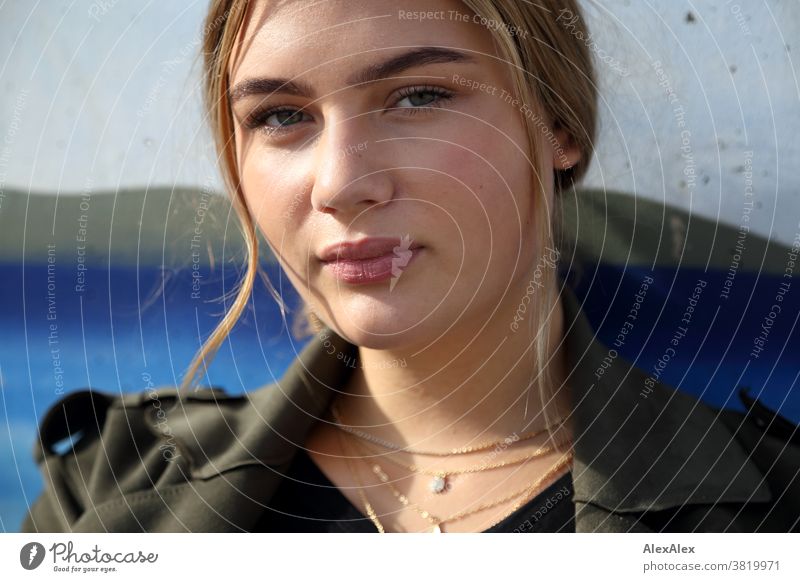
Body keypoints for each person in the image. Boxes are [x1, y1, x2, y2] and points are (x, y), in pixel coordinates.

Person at [20, 0, 799, 533]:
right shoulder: (107, 489)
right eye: (281, 116)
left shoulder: (775, 506)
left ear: (559, 123)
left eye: (418, 95)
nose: (340, 183)